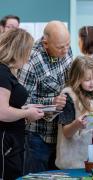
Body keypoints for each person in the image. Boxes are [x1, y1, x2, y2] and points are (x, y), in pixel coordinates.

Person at [18, 21, 73, 174]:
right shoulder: (31, 61)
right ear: (46, 43)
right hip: (38, 136)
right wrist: (51, 102)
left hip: (63, 133)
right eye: (60, 47)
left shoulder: (66, 49)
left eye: (68, 44)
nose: (65, 50)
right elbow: (21, 103)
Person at [55, 56, 93, 169]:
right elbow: (66, 133)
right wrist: (77, 124)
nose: (92, 83)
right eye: (87, 80)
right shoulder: (69, 96)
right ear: (76, 78)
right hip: (76, 161)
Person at [0, 28, 44, 180]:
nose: (28, 58)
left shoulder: (8, 72)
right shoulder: (2, 73)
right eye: (27, 52)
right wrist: (27, 113)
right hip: (5, 142)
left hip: (13, 140)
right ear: (18, 50)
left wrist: (26, 109)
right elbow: (2, 112)